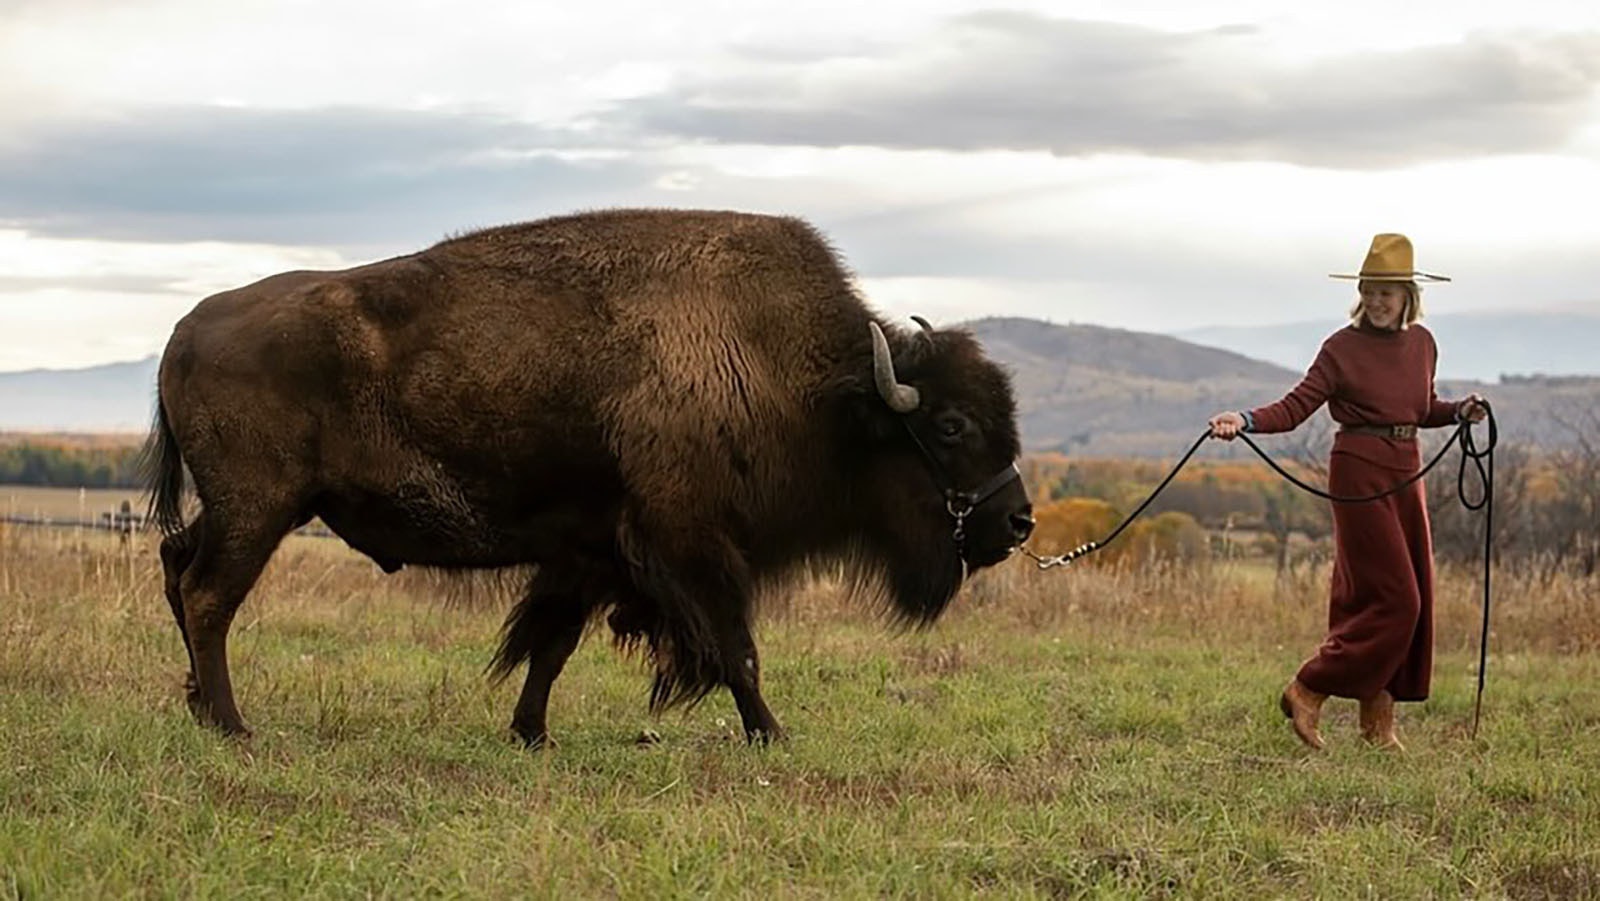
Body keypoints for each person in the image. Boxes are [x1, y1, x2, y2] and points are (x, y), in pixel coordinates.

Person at [1207, 233, 1487, 751]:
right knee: (1398, 600)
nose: (1378, 301)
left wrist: (1460, 412)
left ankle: (1377, 724)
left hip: (1406, 473)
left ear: (1408, 295)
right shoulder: (1340, 348)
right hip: (1358, 471)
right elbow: (1294, 408)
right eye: (1370, 290)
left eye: (1388, 291)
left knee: (1390, 596)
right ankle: (1309, 685)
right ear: (1360, 292)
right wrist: (1243, 419)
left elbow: (1420, 409)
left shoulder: (1423, 343)